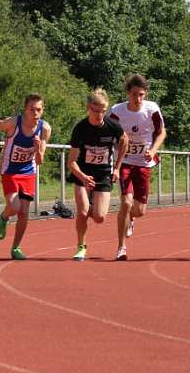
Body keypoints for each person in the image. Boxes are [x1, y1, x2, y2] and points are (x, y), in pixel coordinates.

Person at [109, 74, 166, 261]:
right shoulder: (117, 112)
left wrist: (153, 150)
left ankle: (131, 218)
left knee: (139, 210)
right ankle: (121, 247)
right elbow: (108, 134)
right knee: (126, 203)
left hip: (144, 163)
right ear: (128, 93)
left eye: (141, 94)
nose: (138, 98)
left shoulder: (152, 109)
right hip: (124, 161)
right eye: (134, 94)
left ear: (146, 93)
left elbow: (161, 133)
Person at [67, 89, 128, 261]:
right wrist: (83, 177)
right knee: (82, 212)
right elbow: (71, 162)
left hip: (103, 174)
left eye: (103, 111)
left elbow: (125, 140)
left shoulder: (112, 126)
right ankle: (81, 247)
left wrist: (117, 167)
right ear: (88, 108)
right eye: (96, 111)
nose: (99, 115)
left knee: (100, 217)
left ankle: (92, 203)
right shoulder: (80, 128)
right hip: (82, 173)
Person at [0, 94, 52, 260]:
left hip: (28, 171)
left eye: (38, 109)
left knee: (24, 211)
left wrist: (38, 148)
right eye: (32, 109)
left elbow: (39, 161)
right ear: (25, 110)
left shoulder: (45, 129)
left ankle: (16, 247)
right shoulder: (13, 123)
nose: (35, 113)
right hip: (10, 170)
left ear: (42, 110)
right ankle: (4, 217)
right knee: (14, 207)